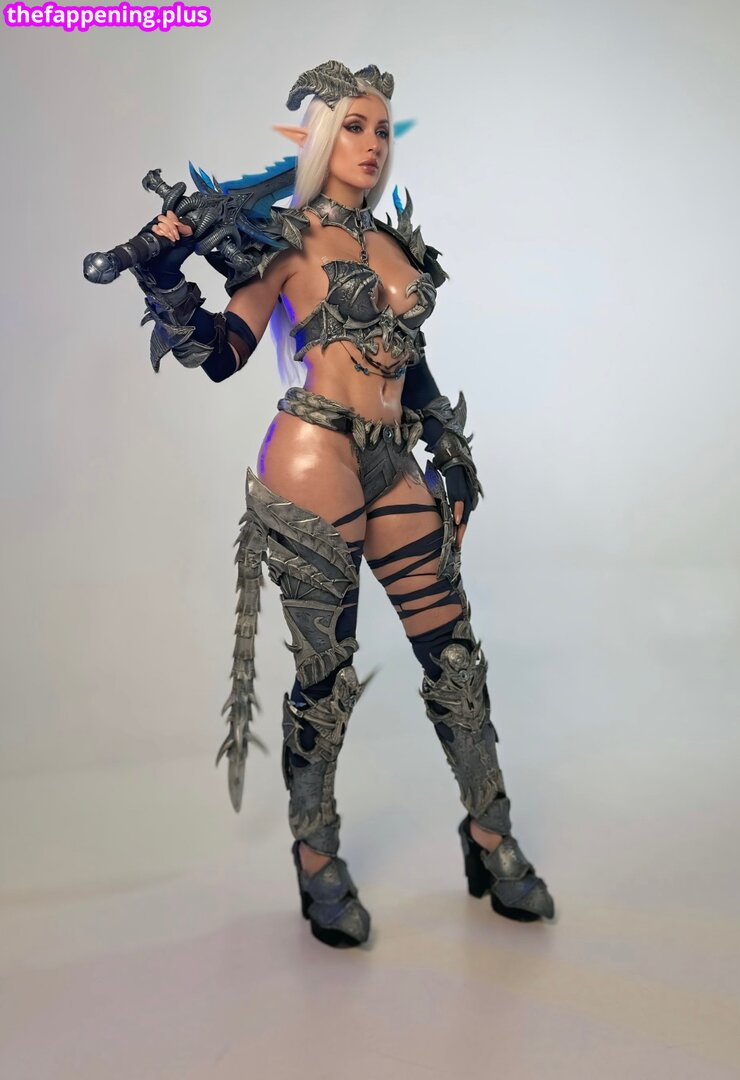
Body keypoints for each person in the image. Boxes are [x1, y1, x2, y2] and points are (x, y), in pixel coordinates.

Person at [129, 60, 555, 948]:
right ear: (322, 138)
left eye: (382, 129)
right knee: (326, 678)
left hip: (394, 461)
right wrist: (163, 273)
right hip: (314, 454)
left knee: (455, 655)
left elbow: (409, 360)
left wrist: (449, 447)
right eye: (354, 126)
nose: (372, 144)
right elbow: (222, 352)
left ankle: (489, 831)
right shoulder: (283, 243)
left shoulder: (396, 246)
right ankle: (316, 853)